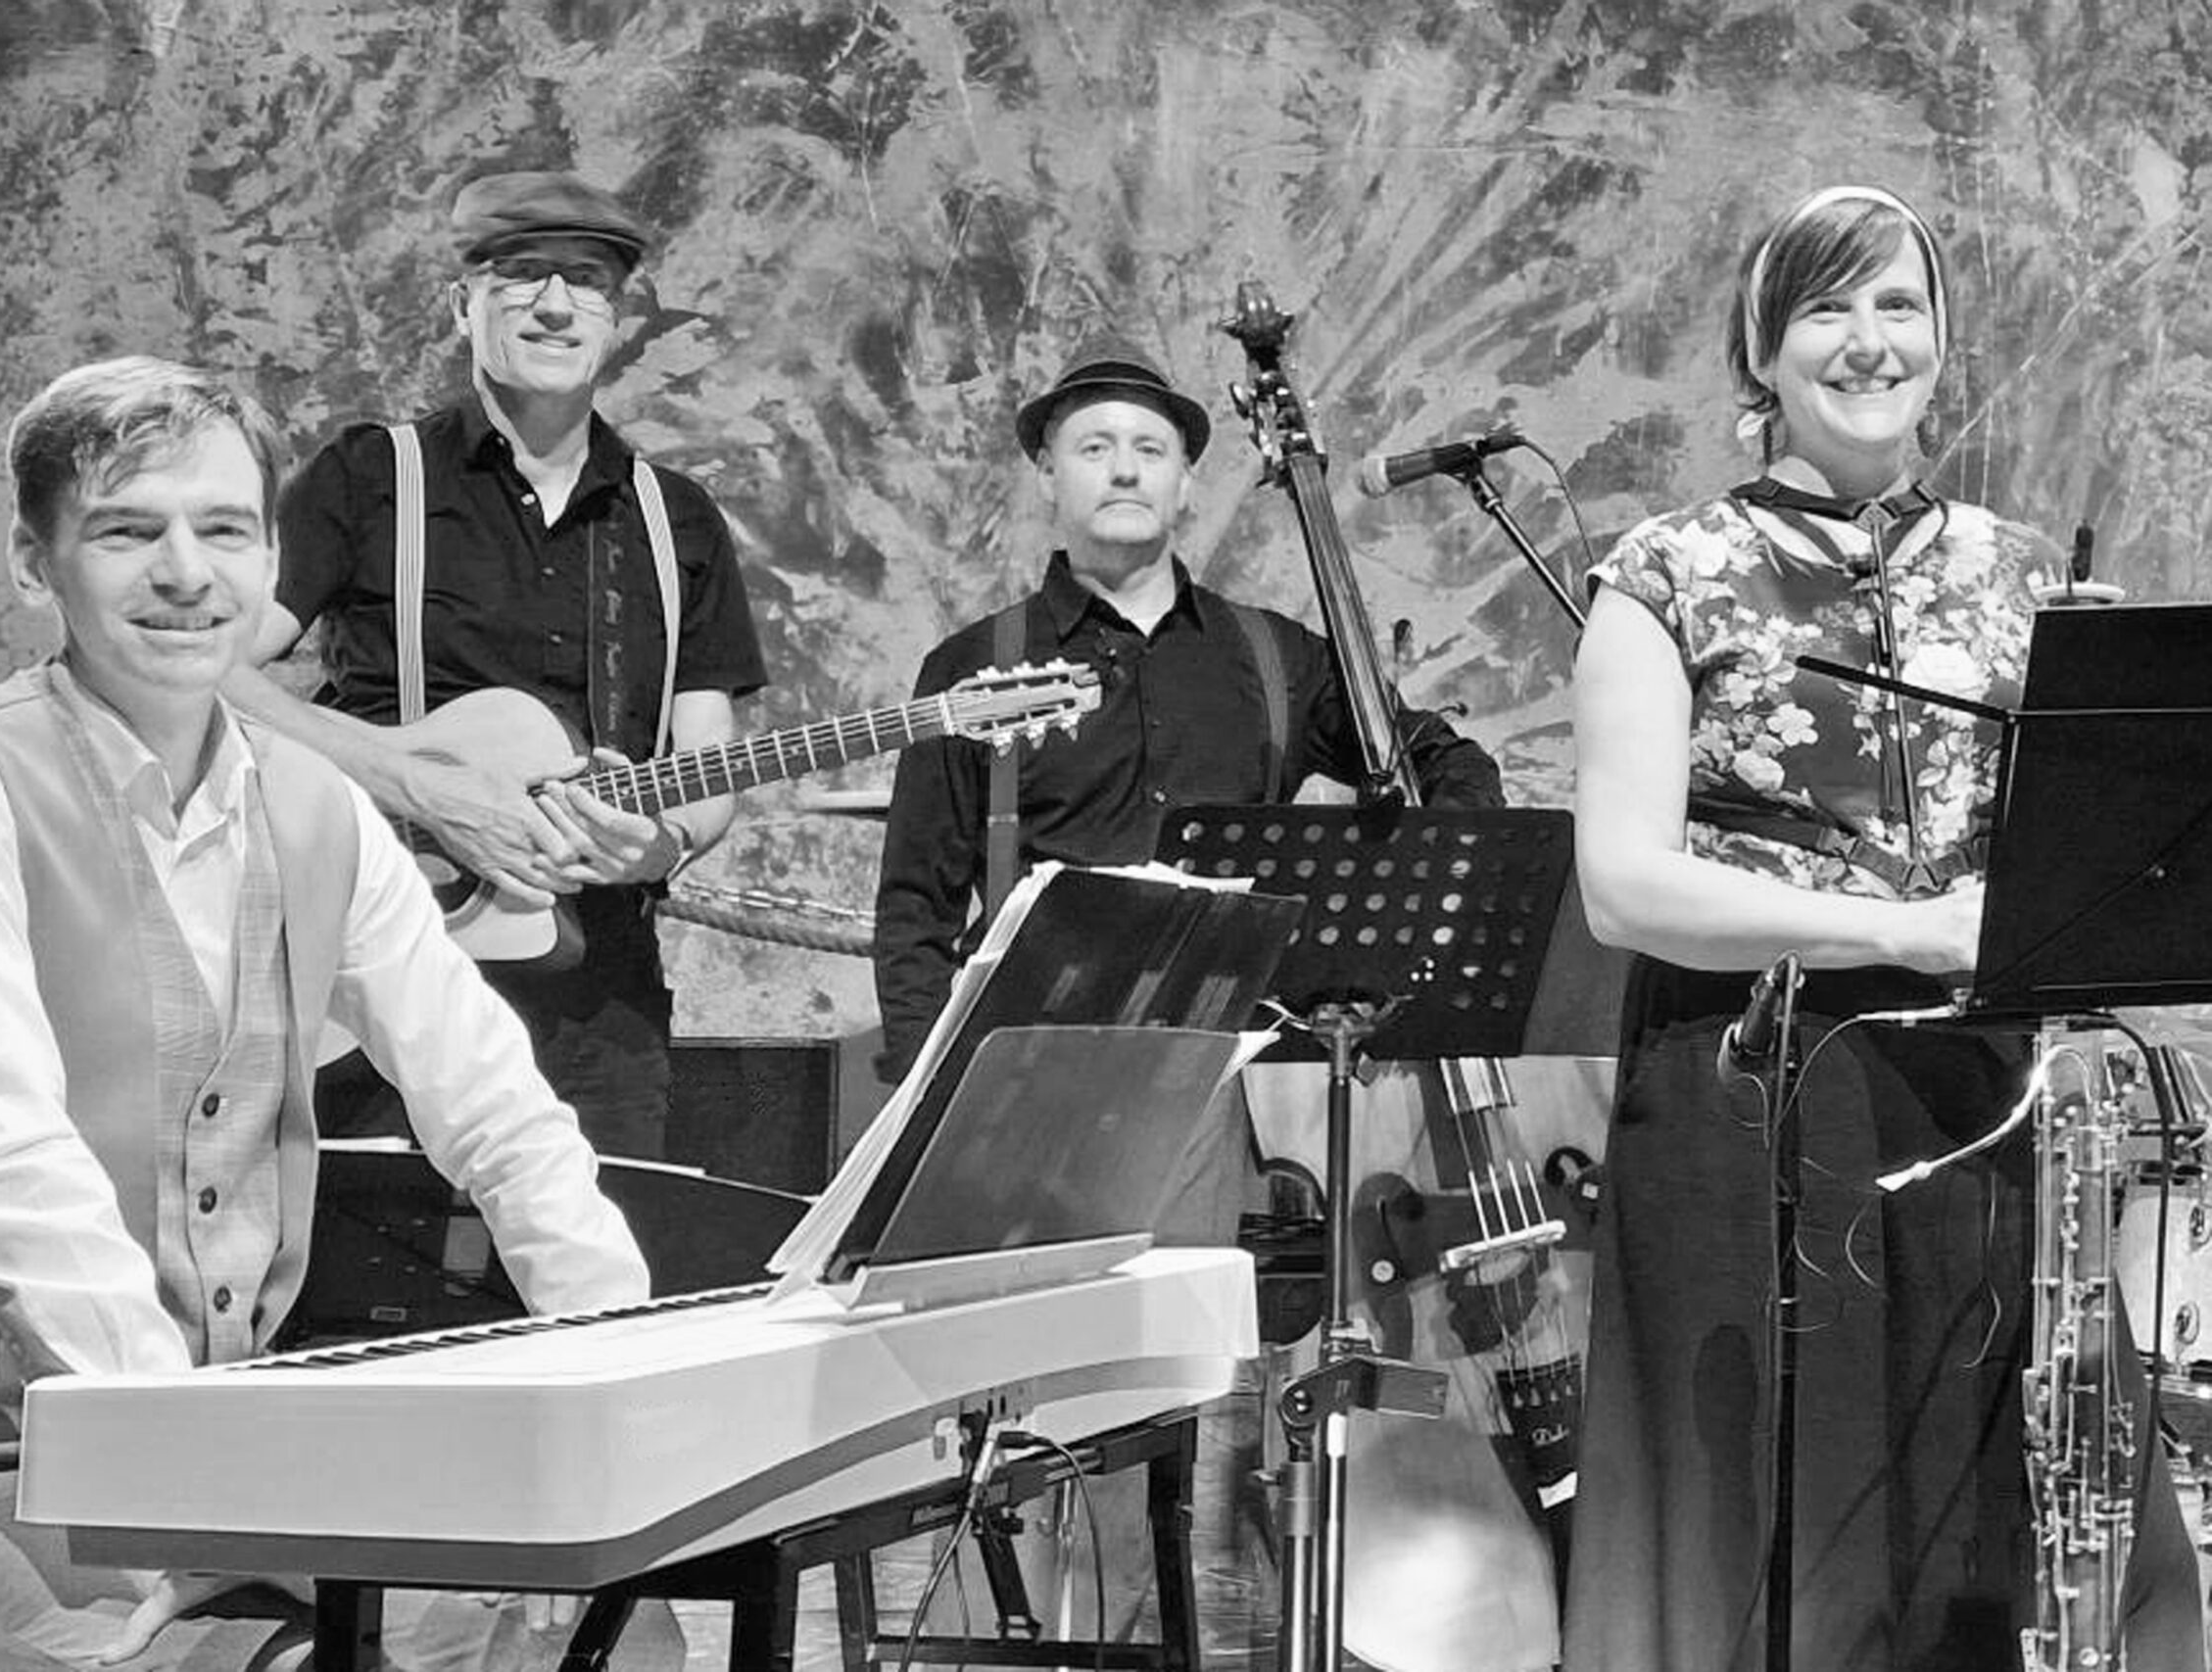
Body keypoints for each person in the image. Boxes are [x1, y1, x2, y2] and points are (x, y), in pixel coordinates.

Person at [0, 358, 650, 1672]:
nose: (186, 572)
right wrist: (196, 1489)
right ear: (34, 563)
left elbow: (498, 1111)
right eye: (129, 530)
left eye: (225, 528)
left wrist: (616, 1388)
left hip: (218, 1452)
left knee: (613, 1631)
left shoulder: (320, 806)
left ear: (269, 558)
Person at [1563, 185, 2204, 1671]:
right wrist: (1909, 930)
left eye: (1899, 304)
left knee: (1991, 1529)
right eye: (1825, 308)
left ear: (1941, 337)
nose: (1869, 341)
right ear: (1761, 351)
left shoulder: (2023, 572)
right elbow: (1622, 886)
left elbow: (2076, 869)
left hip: (1981, 1103)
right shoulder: (1663, 573)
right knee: (1761, 1540)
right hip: (1751, 1100)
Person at [225, 169, 768, 1161]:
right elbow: (209, 673)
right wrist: (418, 786)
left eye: (586, 280)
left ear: (617, 319)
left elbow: (706, 764)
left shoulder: (678, 518)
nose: (555, 304)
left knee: (605, 1258)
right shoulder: (368, 477)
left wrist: (662, 845)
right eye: (521, 273)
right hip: (377, 985)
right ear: (460, 304)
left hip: (599, 1010)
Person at [870, 339, 1505, 1083]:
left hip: (1227, 1076)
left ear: (1185, 481)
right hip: (1032, 1072)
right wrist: (930, 1090)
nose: (1125, 470)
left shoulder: (1278, 658)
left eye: (1150, 449)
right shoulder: (971, 667)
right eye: (1094, 447)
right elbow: (915, 912)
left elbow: (1445, 760)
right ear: (1046, 473)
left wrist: (1410, 873)